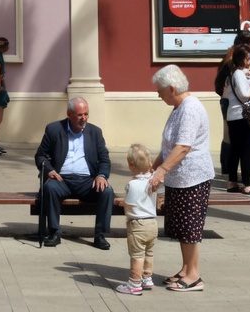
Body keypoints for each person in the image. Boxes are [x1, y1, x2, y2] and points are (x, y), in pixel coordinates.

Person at [148, 64, 213, 293]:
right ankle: (185, 269)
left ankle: (194, 276)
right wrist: (153, 167)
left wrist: (161, 171)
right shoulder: (178, 107)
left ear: (172, 89)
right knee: (182, 227)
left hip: (192, 178)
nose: (158, 94)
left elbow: (183, 147)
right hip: (180, 178)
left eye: (160, 90)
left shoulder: (190, 108)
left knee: (190, 228)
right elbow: (169, 146)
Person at [34, 97, 114, 249]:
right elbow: (40, 156)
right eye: (79, 115)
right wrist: (50, 170)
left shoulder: (95, 132)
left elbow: (105, 159)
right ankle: (54, 233)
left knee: (107, 191)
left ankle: (100, 236)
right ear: (69, 114)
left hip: (87, 181)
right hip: (61, 179)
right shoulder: (54, 129)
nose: (83, 118)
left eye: (86, 114)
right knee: (50, 188)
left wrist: (101, 175)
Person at [115, 143, 161, 295]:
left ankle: (134, 283)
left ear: (130, 165)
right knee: (149, 252)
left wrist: (120, 202)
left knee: (137, 255)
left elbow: (130, 205)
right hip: (153, 223)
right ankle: (147, 278)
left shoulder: (132, 184)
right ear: (149, 162)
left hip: (138, 225)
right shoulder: (153, 181)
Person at [224, 45, 250, 196]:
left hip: (236, 116)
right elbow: (244, 94)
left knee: (236, 150)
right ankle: (247, 184)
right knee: (246, 150)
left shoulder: (235, 74)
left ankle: (232, 182)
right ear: (242, 59)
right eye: (248, 58)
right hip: (243, 117)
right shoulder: (239, 74)